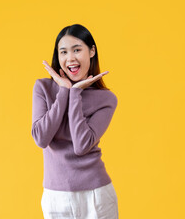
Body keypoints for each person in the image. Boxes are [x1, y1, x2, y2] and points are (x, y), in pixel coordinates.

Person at [31, 24, 119, 219]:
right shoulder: (43, 88)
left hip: (96, 196)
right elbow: (41, 138)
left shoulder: (106, 99)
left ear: (92, 51)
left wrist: (75, 92)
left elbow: (81, 145)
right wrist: (63, 91)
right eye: (63, 52)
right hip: (55, 196)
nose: (70, 58)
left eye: (77, 50)